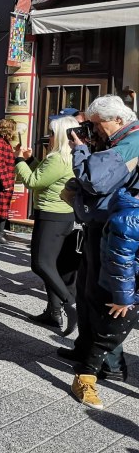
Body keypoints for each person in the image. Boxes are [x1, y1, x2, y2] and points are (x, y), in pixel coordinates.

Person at [60, 95, 139, 385]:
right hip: (99, 225)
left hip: (112, 230)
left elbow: (95, 180)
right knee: (86, 290)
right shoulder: (120, 140)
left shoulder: (131, 142)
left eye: (96, 124)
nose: (92, 130)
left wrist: (80, 151)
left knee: (102, 296)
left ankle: (111, 363)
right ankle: (84, 348)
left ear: (118, 120)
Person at [71, 179, 139, 410]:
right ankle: (84, 378)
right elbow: (120, 261)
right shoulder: (130, 217)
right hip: (121, 290)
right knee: (108, 336)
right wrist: (123, 298)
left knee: (108, 334)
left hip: (130, 288)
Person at [14, 116, 79, 332]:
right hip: (63, 216)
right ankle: (53, 312)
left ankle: (70, 303)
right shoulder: (68, 157)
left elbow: (33, 181)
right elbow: (43, 175)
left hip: (51, 216)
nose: (48, 137)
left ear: (61, 135)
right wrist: (31, 160)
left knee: (41, 263)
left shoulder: (58, 158)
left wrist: (19, 161)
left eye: (52, 133)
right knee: (53, 265)